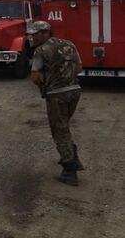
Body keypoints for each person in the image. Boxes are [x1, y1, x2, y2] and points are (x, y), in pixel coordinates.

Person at [29, 20, 84, 186]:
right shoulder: (69, 44)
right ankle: (73, 160)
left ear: (46, 33)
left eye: (35, 35)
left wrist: (43, 84)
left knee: (60, 131)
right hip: (74, 91)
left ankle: (70, 171)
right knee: (64, 127)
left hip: (56, 95)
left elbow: (35, 76)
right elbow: (79, 68)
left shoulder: (41, 51)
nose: (33, 38)